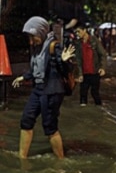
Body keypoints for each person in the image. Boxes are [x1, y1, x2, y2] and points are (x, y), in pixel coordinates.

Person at [12, 16, 75, 159]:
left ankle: (61, 162)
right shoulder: (35, 47)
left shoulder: (54, 46)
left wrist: (65, 61)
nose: (31, 40)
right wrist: (24, 77)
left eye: (32, 36)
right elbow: (35, 69)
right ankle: (22, 158)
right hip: (38, 89)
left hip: (52, 90)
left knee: (49, 126)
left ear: (40, 31)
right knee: (26, 119)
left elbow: (66, 70)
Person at [74, 25, 107, 106]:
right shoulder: (78, 43)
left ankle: (99, 111)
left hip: (94, 72)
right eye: (76, 32)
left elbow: (102, 54)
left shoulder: (94, 40)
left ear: (84, 30)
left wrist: (102, 68)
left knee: (95, 93)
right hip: (84, 73)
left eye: (79, 31)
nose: (77, 34)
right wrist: (79, 74)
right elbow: (77, 60)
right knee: (83, 94)